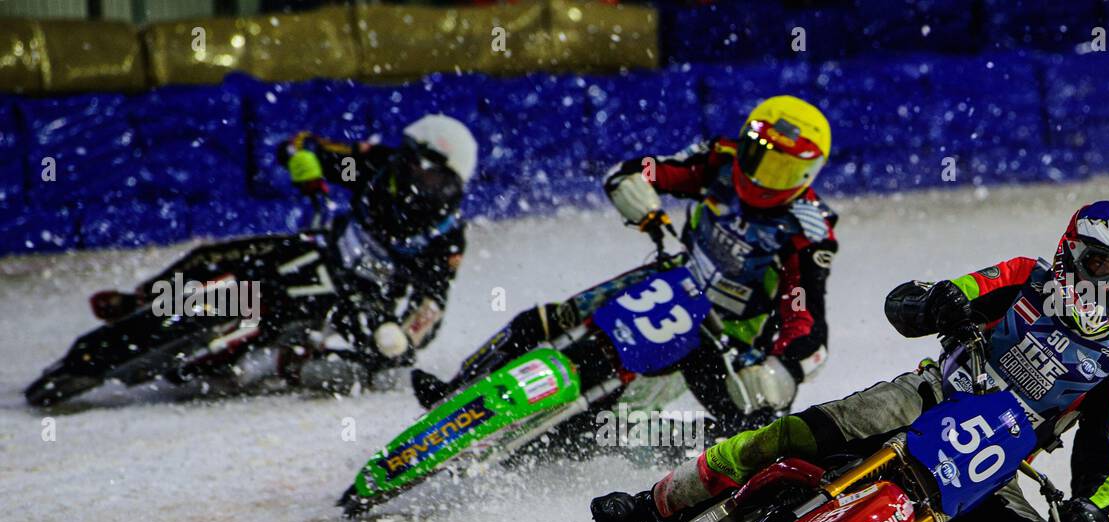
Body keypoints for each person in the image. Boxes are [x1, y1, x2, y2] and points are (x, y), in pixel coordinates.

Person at [592, 200, 1109, 522]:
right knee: (796, 432)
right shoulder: (1022, 279)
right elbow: (919, 299)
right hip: (924, 398)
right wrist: (939, 303)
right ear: (1070, 255)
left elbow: (1108, 463)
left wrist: (1090, 512)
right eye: (1100, 268)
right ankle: (656, 505)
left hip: (989, 467)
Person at [412, 95, 837, 435]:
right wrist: (637, 192)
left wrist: (782, 368)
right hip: (669, 278)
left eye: (782, 169)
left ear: (806, 176)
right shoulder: (720, 159)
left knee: (729, 415)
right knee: (545, 321)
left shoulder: (809, 232)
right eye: (757, 155)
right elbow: (646, 170)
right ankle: (452, 393)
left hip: (725, 333)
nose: (762, 175)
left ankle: (686, 459)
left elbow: (806, 322)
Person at [90, 114, 476, 393]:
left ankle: (288, 363)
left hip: (364, 299)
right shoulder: (375, 166)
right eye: (424, 169)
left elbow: (432, 302)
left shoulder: (448, 236)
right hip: (319, 250)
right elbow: (301, 144)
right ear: (409, 157)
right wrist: (302, 160)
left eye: (441, 179)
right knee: (213, 258)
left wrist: (404, 337)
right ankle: (142, 300)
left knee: (389, 364)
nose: (427, 184)